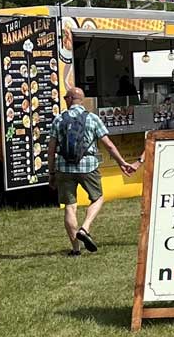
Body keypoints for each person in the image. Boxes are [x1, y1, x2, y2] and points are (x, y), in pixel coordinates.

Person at [47, 87, 133, 257]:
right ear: (82, 100)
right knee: (98, 197)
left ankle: (76, 249)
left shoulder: (58, 120)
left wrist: (51, 173)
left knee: (70, 207)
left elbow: (51, 150)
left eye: (66, 97)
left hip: (64, 167)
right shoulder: (92, 118)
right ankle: (85, 227)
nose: (64, 99)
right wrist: (122, 162)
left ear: (71, 99)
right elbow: (108, 144)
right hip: (88, 166)